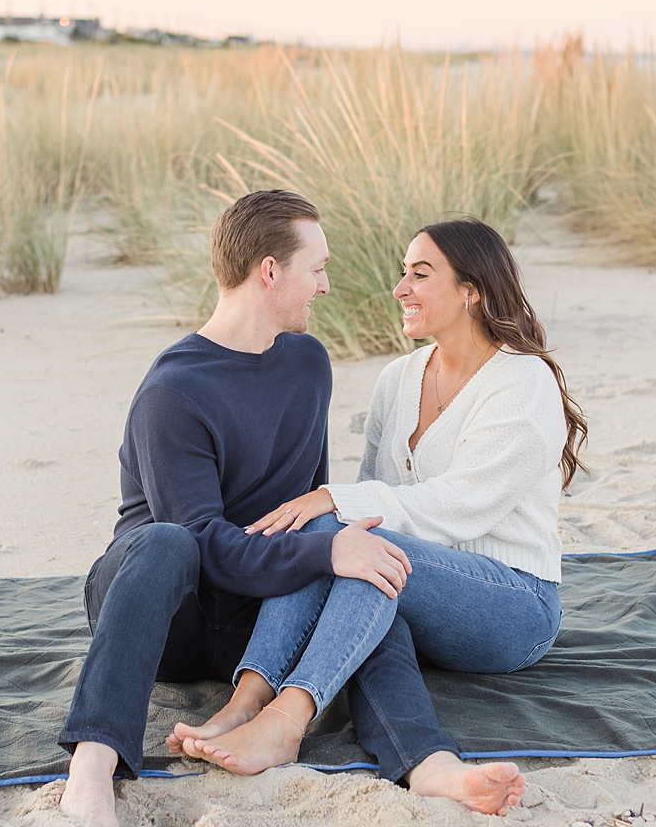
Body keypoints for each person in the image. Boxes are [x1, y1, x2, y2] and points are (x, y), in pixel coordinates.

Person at [58, 194, 527, 827]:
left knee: (368, 575)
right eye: (318, 268)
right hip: (168, 610)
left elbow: (307, 509)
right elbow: (201, 541)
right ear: (270, 270)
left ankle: (428, 764)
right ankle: (92, 765)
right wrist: (324, 548)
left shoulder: (307, 363)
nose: (327, 285)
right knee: (169, 540)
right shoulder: (173, 391)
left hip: (258, 618)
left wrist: (335, 552)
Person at [172, 218, 588, 803]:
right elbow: (375, 510)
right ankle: (274, 712)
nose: (400, 288)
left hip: (512, 605)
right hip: (411, 587)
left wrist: (334, 501)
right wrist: (341, 517)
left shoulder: (523, 382)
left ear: (472, 290)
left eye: (420, 274)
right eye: (402, 273)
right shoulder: (398, 379)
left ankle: (285, 718)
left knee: (349, 542)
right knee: (352, 557)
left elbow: (460, 509)